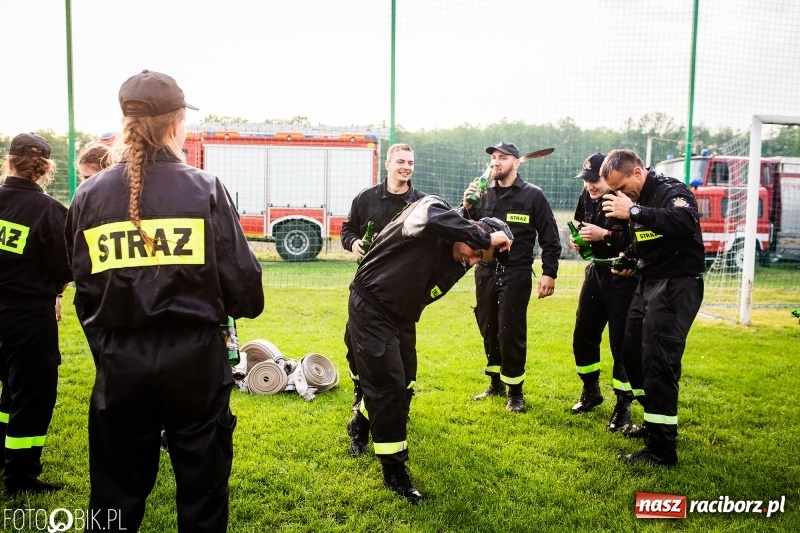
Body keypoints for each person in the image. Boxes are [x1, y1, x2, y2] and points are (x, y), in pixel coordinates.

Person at [66, 70, 264, 531]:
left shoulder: (88, 195)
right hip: (194, 360)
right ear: (176, 124)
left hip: (120, 361)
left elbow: (84, 287)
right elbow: (246, 291)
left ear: (125, 123)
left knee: (115, 495)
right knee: (203, 490)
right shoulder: (205, 188)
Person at [345, 194, 512, 503]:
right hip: (372, 307)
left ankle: (361, 419)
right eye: (476, 252)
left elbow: (427, 291)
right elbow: (432, 214)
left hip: (402, 317)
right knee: (390, 387)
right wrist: (484, 237)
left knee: (404, 383)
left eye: (480, 261)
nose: (472, 261)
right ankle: (394, 472)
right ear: (468, 230)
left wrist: (482, 244)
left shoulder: (461, 256)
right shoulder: (429, 214)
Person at [599, 149, 705, 466]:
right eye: (613, 190)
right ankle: (653, 423)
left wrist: (633, 211)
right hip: (649, 282)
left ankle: (662, 450)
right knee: (632, 353)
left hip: (677, 284)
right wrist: (629, 258)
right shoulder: (636, 202)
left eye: (620, 187)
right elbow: (647, 241)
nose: (619, 194)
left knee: (660, 361)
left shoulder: (671, 190)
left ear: (636, 172)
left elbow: (685, 222)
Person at [462, 141, 561, 412]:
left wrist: (548, 272)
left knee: (510, 331)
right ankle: (495, 382)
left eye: (503, 157)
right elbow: (465, 229)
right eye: (494, 157)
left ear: (516, 163)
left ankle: (515, 392)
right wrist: (466, 206)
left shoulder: (533, 196)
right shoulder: (481, 193)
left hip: (516, 272)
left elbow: (550, 238)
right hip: (484, 271)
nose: (496, 162)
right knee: (488, 327)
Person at [0, 133, 72, 494]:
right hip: (28, 316)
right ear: (46, 169)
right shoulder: (51, 212)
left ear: (8, 162)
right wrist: (56, 290)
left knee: (9, 390)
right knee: (32, 396)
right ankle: (19, 479)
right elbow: (64, 266)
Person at [340, 143, 425, 414]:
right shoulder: (365, 199)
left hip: (403, 291)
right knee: (354, 342)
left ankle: (405, 398)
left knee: (405, 348)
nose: (406, 167)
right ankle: (359, 389)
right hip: (367, 288)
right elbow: (347, 230)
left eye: (410, 163)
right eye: (400, 161)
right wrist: (353, 243)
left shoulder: (421, 203)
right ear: (387, 165)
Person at [569, 153, 639, 431]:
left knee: (621, 343)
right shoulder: (586, 196)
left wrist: (606, 235)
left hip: (623, 277)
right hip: (596, 272)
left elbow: (639, 240)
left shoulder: (628, 201)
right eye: (585, 180)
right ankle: (591, 391)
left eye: (594, 180)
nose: (589, 186)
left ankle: (623, 406)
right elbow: (580, 224)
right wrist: (581, 241)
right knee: (583, 334)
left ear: (610, 177)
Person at [73, 141, 114, 366]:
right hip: (91, 292)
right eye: (82, 177)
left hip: (117, 291)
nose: (84, 184)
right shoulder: (82, 199)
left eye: (89, 177)